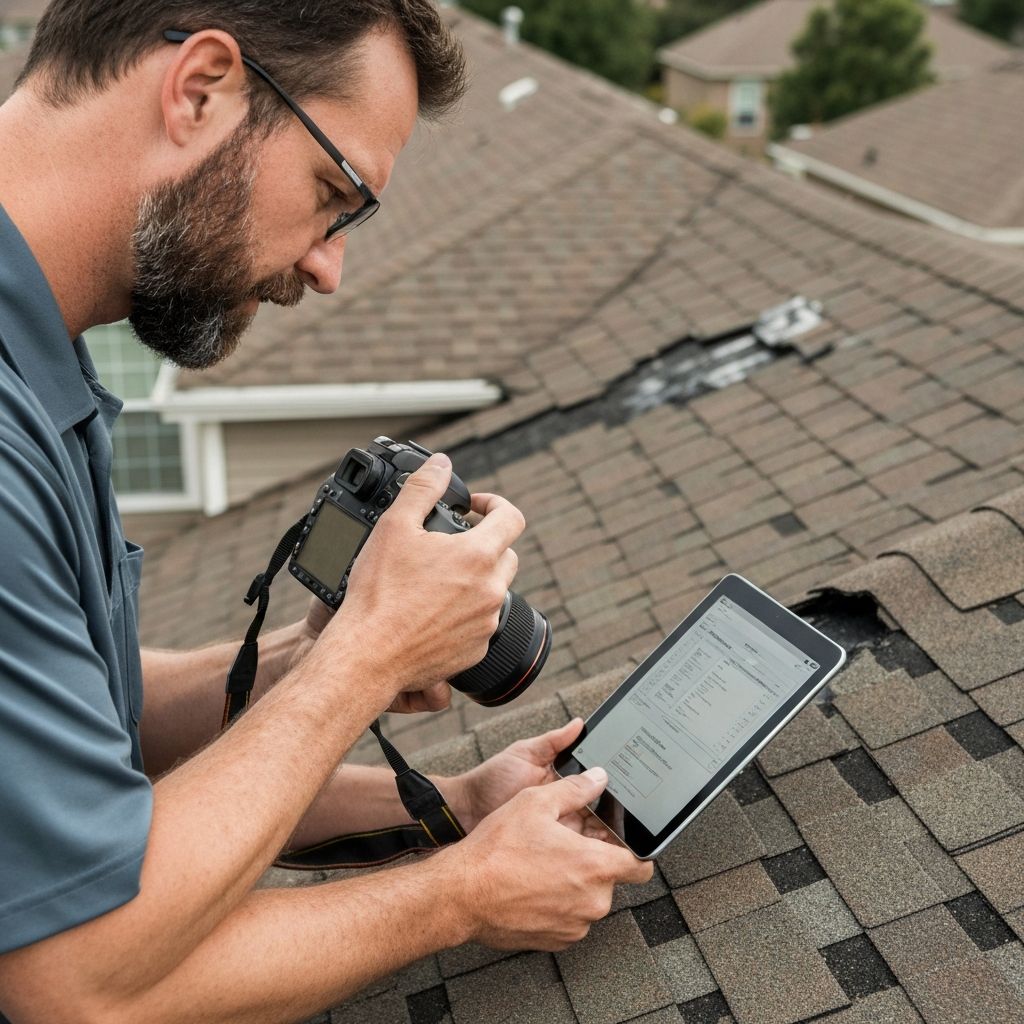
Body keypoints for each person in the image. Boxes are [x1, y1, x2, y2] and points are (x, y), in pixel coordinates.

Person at [0, 2, 653, 1021]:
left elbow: (86, 728)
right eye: (333, 193)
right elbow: (75, 975)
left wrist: (343, 695)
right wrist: (457, 884)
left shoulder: (42, 362)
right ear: (200, 88)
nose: (327, 266)